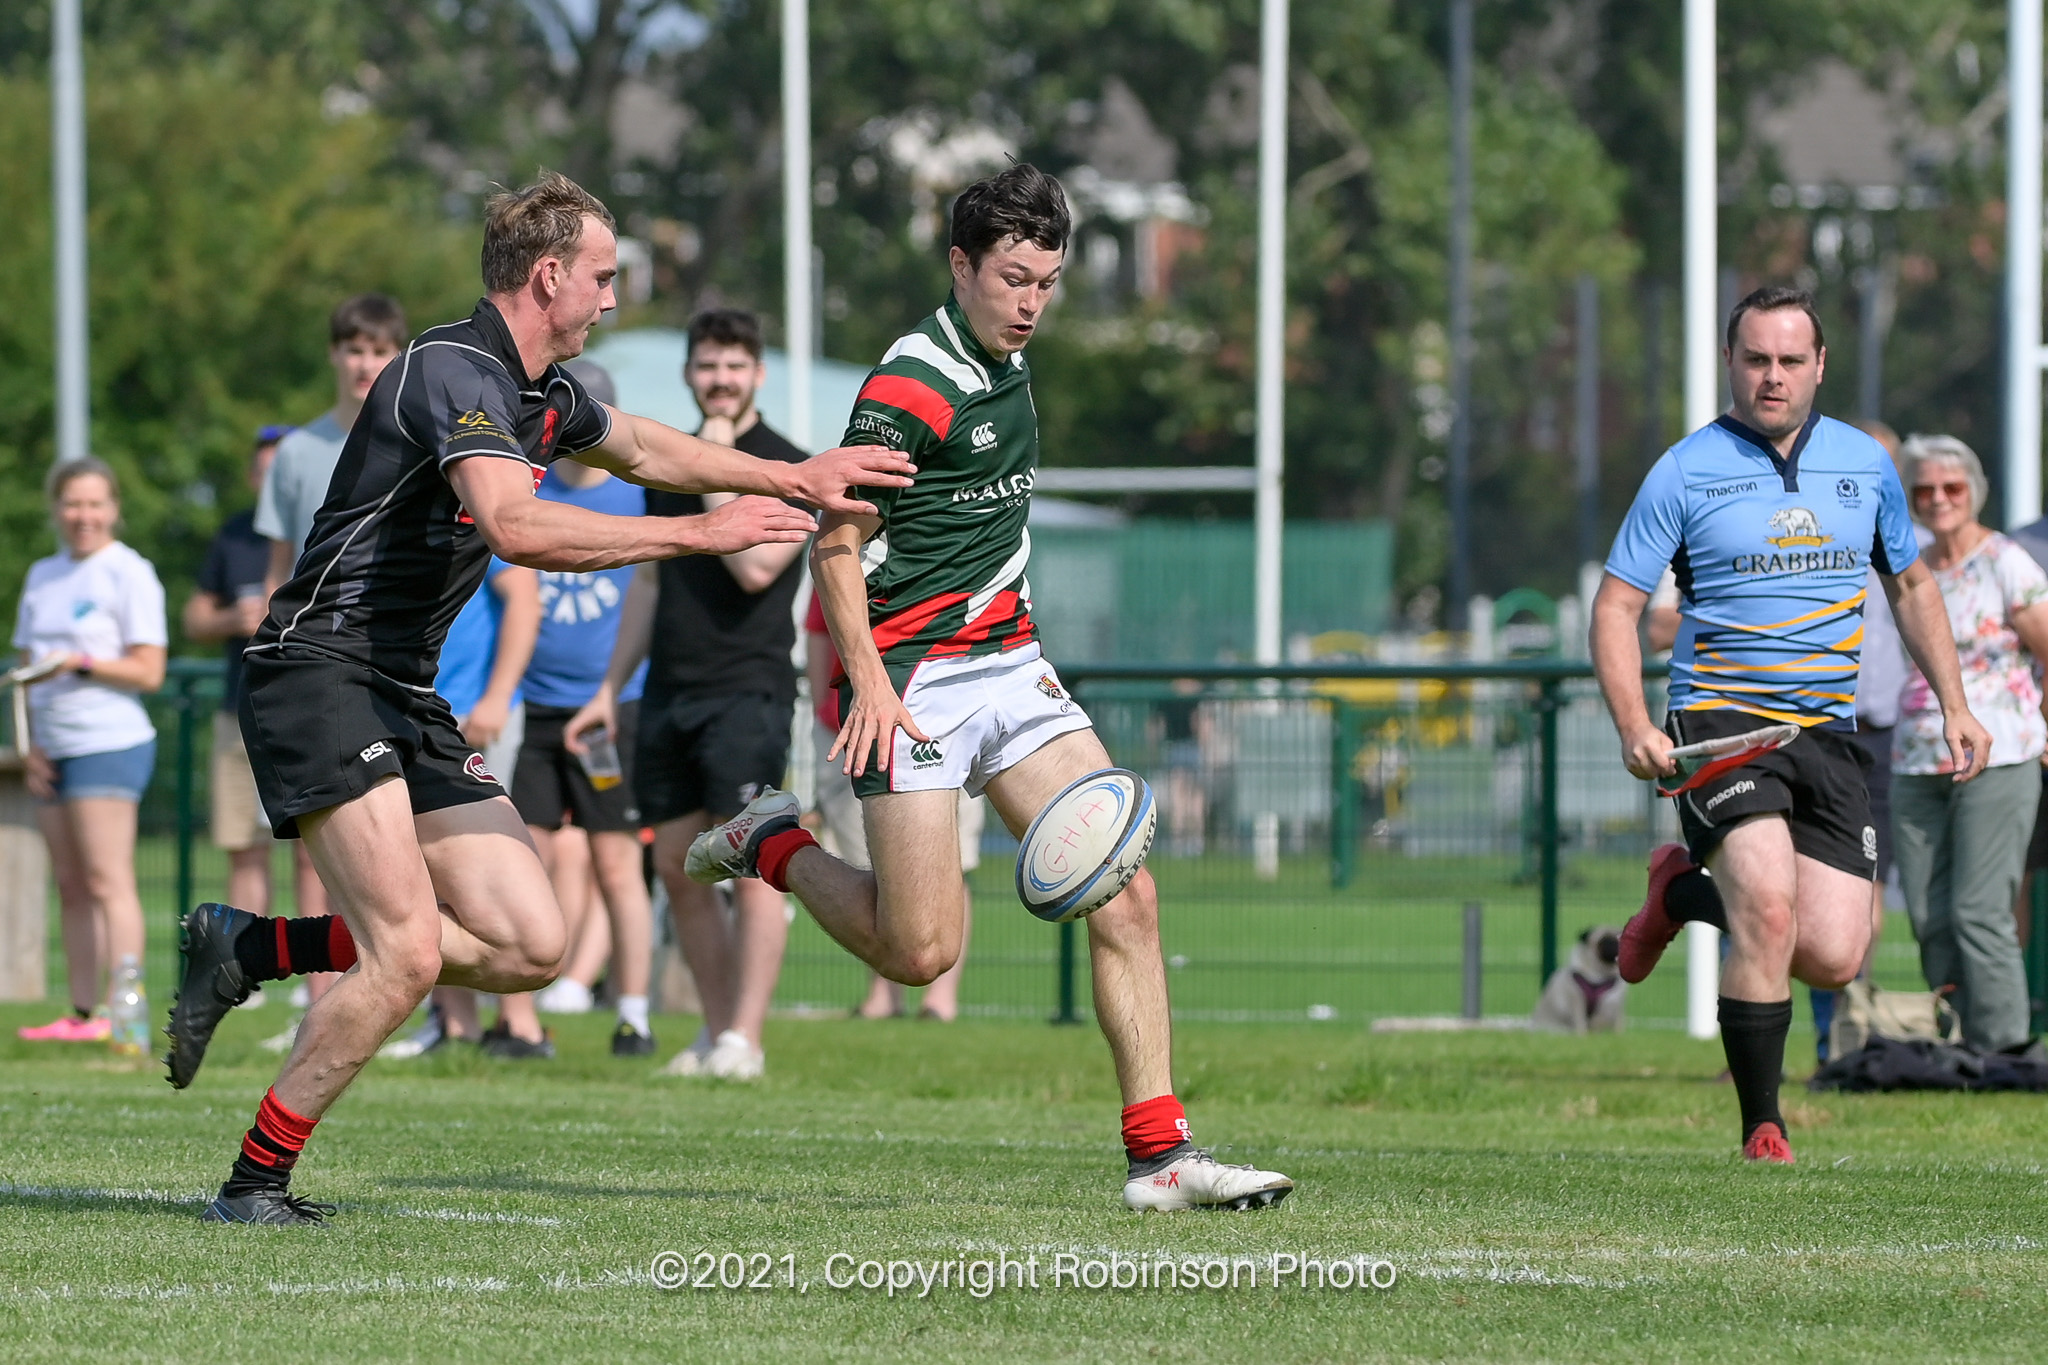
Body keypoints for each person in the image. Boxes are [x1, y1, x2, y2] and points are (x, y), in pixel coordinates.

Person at [161, 169, 913, 1225]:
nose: (612, 297)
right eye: (602, 277)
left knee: (527, 943)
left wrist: (791, 475)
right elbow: (515, 525)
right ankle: (253, 1183)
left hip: (399, 691)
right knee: (408, 953)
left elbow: (643, 445)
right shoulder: (451, 370)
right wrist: (698, 532)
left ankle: (249, 949)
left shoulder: (539, 394)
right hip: (319, 672)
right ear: (549, 274)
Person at [682, 164, 1294, 1211]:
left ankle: (1160, 1157)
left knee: (1127, 888)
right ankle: (773, 842)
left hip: (1011, 665)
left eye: (1046, 283)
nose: (1031, 304)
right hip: (912, 681)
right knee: (920, 951)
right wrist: (868, 688)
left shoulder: (1008, 360)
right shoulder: (908, 386)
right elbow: (835, 546)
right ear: (959, 265)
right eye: (1013, 280)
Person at [1590, 285, 1989, 1165]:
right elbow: (1616, 607)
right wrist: (1632, 723)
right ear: (1730, 362)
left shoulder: (1865, 463)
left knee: (1837, 954)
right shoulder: (1684, 469)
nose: (1773, 376)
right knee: (1768, 908)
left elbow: (1911, 584)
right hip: (1720, 721)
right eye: (1756, 359)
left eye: (1790, 360)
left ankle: (1680, 894)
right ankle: (1762, 1127)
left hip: (1826, 730)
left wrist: (1956, 703)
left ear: (1820, 365)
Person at [567, 309, 809, 1080]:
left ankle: (746, 1037)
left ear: (758, 373)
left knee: (756, 861)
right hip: (668, 691)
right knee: (677, 865)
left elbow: (755, 569)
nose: (721, 379)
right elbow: (647, 581)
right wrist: (609, 688)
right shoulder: (667, 462)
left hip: (749, 691)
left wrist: (721, 459)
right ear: (688, 373)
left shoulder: (788, 465)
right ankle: (713, 1029)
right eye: (708, 365)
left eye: (734, 365)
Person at [251, 294, 408, 997]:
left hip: (398, 666)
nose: (364, 363)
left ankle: (417, 1006)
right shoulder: (295, 452)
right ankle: (319, 997)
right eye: (353, 349)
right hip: (316, 665)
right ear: (333, 356)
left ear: (398, 355)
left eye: (378, 350)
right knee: (320, 841)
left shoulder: (418, 440)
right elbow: (277, 573)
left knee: (412, 845)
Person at [508, 359, 659, 1055]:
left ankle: (633, 1013)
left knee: (617, 865)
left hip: (609, 715)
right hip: (539, 710)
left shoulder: (637, 498)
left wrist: (607, 695)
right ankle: (517, 1021)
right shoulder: (528, 489)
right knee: (522, 862)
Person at [1888, 434, 2048, 1057]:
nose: (1938, 499)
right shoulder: (1910, 566)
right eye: (1924, 489)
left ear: (1974, 491)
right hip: (1915, 756)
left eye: (1951, 487)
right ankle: (1956, 1039)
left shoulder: (2005, 560)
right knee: (1929, 914)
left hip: (1998, 753)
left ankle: (2004, 1049)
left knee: (1979, 909)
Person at [14, 459, 168, 1042]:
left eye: (95, 503)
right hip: (51, 749)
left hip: (108, 741)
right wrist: (29, 746)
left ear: (114, 508)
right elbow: (25, 670)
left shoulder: (129, 572)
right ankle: (81, 1015)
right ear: (56, 508)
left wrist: (81, 663)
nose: (84, 515)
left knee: (108, 881)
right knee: (71, 885)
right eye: (72, 503)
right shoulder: (42, 574)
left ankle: (122, 1016)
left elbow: (149, 670)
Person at [380, 555, 545, 1059]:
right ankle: (456, 1025)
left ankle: (520, 1024)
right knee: (425, 870)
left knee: (495, 865)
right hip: (411, 714)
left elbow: (525, 600)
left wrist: (497, 696)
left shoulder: (472, 518)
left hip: (473, 716)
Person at [804, 593, 981, 1022]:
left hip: (941, 724)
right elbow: (818, 632)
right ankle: (884, 993)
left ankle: (940, 999)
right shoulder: (840, 557)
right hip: (855, 727)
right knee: (871, 870)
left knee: (952, 867)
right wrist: (826, 708)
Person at [183, 428, 289, 923]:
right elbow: (193, 619)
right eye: (265, 472)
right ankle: (248, 962)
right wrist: (232, 619)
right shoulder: (234, 534)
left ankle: (324, 967)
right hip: (239, 715)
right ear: (252, 478)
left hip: (308, 713)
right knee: (244, 849)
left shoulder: (326, 527)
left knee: (318, 856)